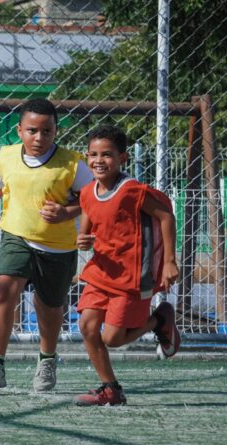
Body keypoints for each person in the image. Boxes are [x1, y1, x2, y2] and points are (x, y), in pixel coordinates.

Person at [0, 98, 93, 391]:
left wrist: (66, 212)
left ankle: (47, 361)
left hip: (57, 247)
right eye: (32, 130)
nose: (39, 137)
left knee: (49, 307)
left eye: (46, 131)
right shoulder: (8, 157)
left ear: (55, 131)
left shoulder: (73, 163)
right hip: (16, 237)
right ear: (20, 130)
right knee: (3, 289)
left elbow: (91, 198)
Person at [74, 124, 180, 406]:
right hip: (101, 272)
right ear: (86, 157)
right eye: (94, 154)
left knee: (113, 338)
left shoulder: (133, 191)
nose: (99, 160)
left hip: (131, 277)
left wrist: (169, 261)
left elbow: (167, 217)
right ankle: (110, 389)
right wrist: (83, 238)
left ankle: (160, 319)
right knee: (86, 325)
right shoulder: (87, 192)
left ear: (123, 158)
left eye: (107, 154)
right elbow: (87, 217)